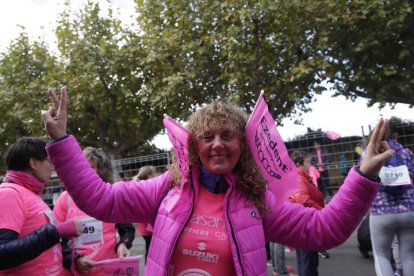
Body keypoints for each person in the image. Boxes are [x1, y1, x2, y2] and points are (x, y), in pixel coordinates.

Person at [41, 87, 393, 275]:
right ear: (194, 146)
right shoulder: (167, 190)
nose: (218, 144)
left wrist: (363, 175)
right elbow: (100, 200)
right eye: (208, 137)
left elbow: (323, 231)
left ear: (244, 143)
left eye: (228, 135)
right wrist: (61, 141)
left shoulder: (259, 202)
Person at [0, 137, 81, 275]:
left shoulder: (30, 193)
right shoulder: (9, 194)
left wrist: (73, 260)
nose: (52, 167)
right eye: (49, 161)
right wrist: (56, 232)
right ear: (34, 163)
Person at [53, 147, 136, 275]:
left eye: (91, 167)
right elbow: (56, 238)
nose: (86, 172)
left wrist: (123, 244)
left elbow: (127, 229)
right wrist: (74, 259)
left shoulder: (111, 195)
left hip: (109, 270)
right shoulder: (65, 199)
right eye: (83, 167)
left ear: (102, 171)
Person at [368, 119, 414, 276]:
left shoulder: (370, 156)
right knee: (409, 257)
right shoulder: (407, 153)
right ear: (396, 135)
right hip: (409, 210)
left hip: (382, 212)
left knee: (381, 255)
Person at [289, 151, 324, 276]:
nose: (310, 166)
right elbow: (302, 200)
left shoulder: (300, 177)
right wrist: (322, 211)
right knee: (309, 262)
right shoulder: (299, 178)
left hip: (302, 224)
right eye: (307, 163)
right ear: (299, 164)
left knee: (304, 260)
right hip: (305, 225)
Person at [133, 165, 157, 263]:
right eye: (153, 174)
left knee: (150, 248)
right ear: (149, 176)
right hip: (148, 228)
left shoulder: (138, 186)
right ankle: (149, 268)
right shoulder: (147, 188)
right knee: (151, 250)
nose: (155, 176)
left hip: (144, 227)